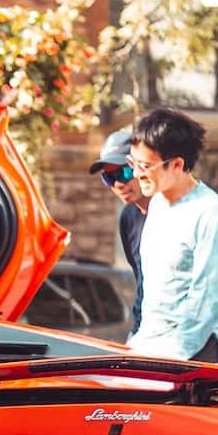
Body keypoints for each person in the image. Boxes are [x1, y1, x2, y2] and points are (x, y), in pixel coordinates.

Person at [125, 107, 218, 362]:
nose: (136, 174)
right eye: (133, 163)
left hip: (194, 353)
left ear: (177, 164)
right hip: (148, 346)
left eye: (145, 166)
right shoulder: (157, 204)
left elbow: (206, 302)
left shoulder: (210, 214)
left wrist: (171, 358)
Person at [89, 126, 149, 334]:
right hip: (145, 333)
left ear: (141, 167)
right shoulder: (128, 218)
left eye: (124, 172)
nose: (118, 184)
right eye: (108, 178)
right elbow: (141, 280)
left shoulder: (179, 213)